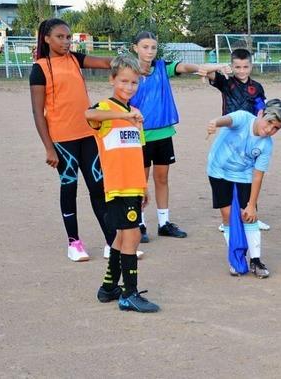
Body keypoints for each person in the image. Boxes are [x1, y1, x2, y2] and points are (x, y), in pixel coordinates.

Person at [30, 18, 116, 262]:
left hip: (88, 135)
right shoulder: (40, 68)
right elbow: (37, 112)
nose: (66, 42)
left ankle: (112, 241)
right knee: (69, 187)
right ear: (46, 38)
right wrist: (49, 148)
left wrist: (130, 62)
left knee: (98, 188)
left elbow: (105, 63)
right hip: (62, 141)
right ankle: (74, 243)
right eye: (60, 37)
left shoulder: (75, 59)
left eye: (68, 37)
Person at [87, 55, 159, 313]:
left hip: (133, 185)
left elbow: (137, 153)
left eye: (134, 83)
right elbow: (88, 113)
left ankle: (108, 288)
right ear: (112, 79)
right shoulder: (106, 109)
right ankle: (129, 294)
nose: (129, 87)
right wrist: (121, 115)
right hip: (117, 186)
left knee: (122, 235)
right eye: (124, 81)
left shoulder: (135, 114)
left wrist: (144, 186)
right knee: (133, 236)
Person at [129, 31, 214, 241]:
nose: (150, 51)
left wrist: (199, 68)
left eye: (153, 47)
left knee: (162, 178)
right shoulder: (129, 72)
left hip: (163, 133)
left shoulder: (161, 67)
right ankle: (139, 224)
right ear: (135, 48)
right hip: (139, 135)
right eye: (145, 47)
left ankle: (163, 222)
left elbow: (182, 67)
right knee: (141, 181)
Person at [206, 99, 281, 278]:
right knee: (228, 215)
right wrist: (215, 122)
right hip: (219, 171)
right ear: (261, 114)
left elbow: (258, 175)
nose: (270, 130)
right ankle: (235, 258)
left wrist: (252, 204)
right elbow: (228, 120)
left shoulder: (266, 145)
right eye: (269, 122)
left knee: (249, 216)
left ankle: (256, 260)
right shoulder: (243, 118)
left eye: (276, 128)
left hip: (244, 175)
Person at [204, 48, 271, 231]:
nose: (241, 71)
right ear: (232, 66)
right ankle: (227, 218)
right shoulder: (226, 82)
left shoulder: (257, 87)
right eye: (237, 67)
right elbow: (205, 70)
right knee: (227, 175)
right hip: (230, 135)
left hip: (251, 136)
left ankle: (252, 213)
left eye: (245, 67)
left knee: (249, 177)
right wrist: (220, 67)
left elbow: (262, 110)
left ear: (251, 66)